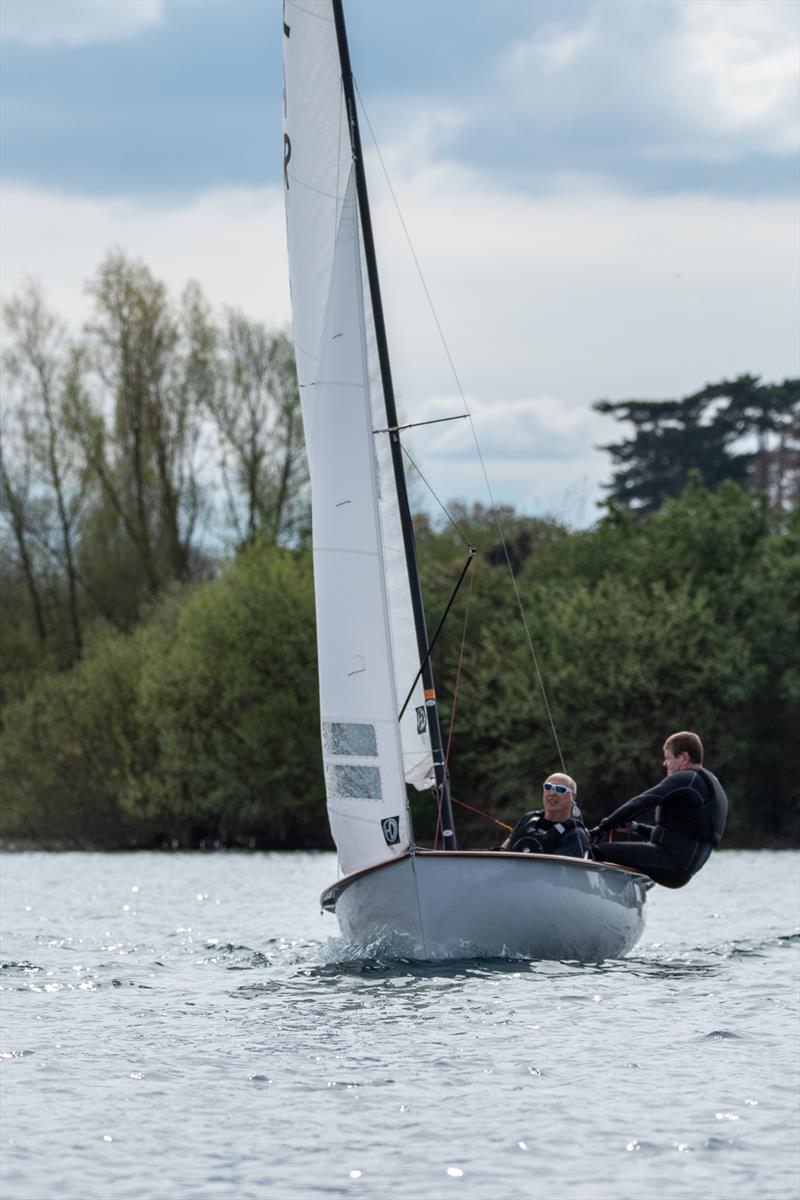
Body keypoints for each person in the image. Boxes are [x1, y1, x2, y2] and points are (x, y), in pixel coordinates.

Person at [589, 731, 727, 888]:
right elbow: (679, 835)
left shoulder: (687, 779)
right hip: (681, 868)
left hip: (671, 862)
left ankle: (604, 902)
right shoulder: (708, 784)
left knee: (598, 850)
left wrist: (602, 828)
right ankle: (628, 900)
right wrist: (637, 828)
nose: (664, 763)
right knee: (624, 853)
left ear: (684, 758)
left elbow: (640, 803)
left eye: (668, 758)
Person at [501, 772, 589, 858]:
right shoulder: (528, 818)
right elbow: (502, 851)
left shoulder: (575, 835)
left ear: (572, 797)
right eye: (548, 787)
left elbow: (560, 870)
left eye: (560, 789)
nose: (552, 793)